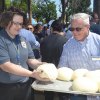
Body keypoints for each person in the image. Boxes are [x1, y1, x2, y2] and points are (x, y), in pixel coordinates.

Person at [0, 11, 48, 100]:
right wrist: (32, 74)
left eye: (21, 24)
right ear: (6, 22)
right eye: (16, 23)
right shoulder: (1, 40)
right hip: (6, 88)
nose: (19, 27)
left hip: (25, 86)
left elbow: (30, 60)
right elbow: (5, 65)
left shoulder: (22, 39)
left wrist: (41, 65)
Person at [58, 13, 100, 100]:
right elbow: (62, 68)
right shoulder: (67, 46)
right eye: (72, 29)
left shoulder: (98, 42)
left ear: (88, 27)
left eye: (78, 29)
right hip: (76, 95)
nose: (74, 32)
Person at [40, 20, 68, 100]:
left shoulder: (44, 40)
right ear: (62, 29)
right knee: (63, 96)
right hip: (61, 73)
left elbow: (42, 54)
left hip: (47, 73)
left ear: (51, 28)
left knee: (48, 95)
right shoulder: (65, 41)